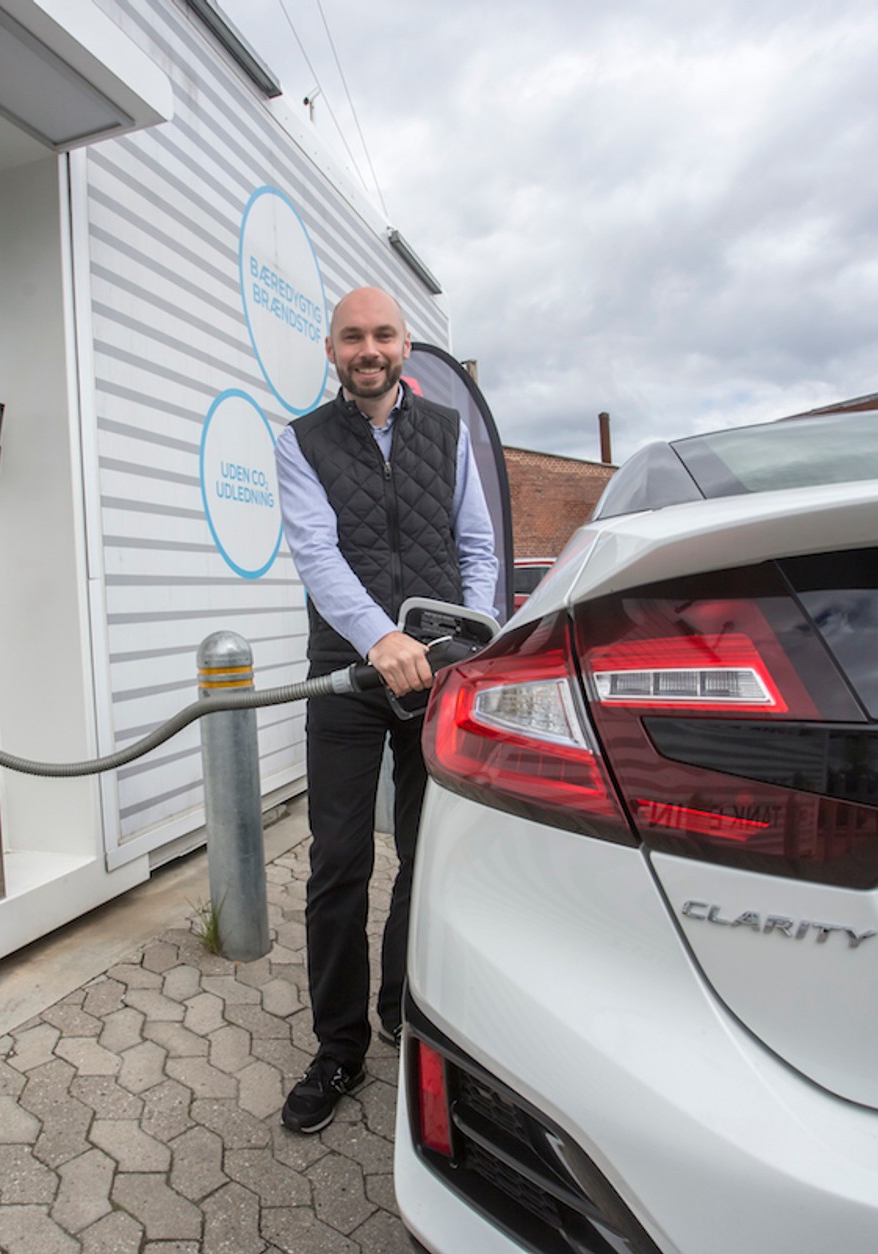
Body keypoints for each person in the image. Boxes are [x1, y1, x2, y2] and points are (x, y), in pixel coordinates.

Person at [272, 286, 498, 1133]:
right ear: (331, 351)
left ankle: (402, 1007)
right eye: (353, 337)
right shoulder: (302, 442)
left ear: (406, 346)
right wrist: (377, 639)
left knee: (425, 851)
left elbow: (476, 545)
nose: (370, 349)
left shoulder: (447, 435)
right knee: (338, 864)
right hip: (349, 674)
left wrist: (476, 638)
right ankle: (337, 1051)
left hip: (441, 671)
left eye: (384, 335)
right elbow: (317, 555)